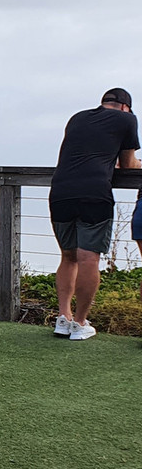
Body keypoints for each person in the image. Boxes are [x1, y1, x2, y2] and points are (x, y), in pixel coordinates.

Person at [49, 88, 140, 340]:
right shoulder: (127, 120)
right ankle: (79, 323)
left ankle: (63, 319)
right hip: (94, 192)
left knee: (68, 257)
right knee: (89, 259)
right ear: (125, 107)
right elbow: (129, 165)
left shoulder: (77, 117)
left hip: (60, 190)